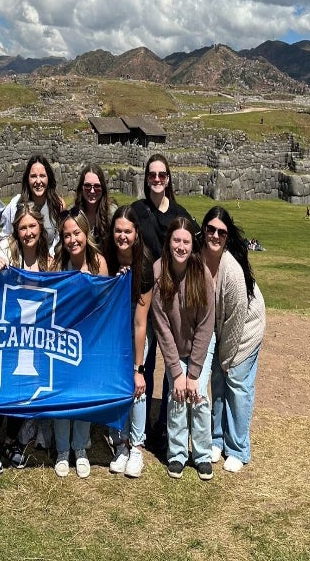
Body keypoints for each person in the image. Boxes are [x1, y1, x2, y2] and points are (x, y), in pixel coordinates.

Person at [129, 153, 198, 448]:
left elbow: (195, 248)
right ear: (146, 179)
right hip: (145, 299)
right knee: (142, 363)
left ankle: (166, 424)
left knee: (174, 363)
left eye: (162, 175)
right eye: (152, 175)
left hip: (173, 302)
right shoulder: (136, 211)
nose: (157, 180)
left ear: (168, 179)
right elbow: (123, 240)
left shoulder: (179, 215)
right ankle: (139, 426)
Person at [0, 203, 54, 472]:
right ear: (16, 231)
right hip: (7, 334)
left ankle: (11, 441)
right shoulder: (6, 250)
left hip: (34, 336)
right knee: (1, 389)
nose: (27, 232)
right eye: (22, 227)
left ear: (40, 227)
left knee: (23, 390)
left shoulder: (49, 258)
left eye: (32, 226)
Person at [201, 206, 266, 473]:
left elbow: (235, 324)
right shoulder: (199, 255)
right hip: (220, 328)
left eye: (222, 232)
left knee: (237, 384)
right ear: (204, 229)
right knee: (217, 382)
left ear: (228, 236)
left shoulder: (232, 272)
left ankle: (238, 448)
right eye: (211, 229)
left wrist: (226, 360)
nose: (215, 235)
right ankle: (217, 439)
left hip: (246, 330)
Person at [151, 216, 216, 481]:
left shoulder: (202, 274)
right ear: (169, 243)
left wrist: (193, 373)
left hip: (200, 345)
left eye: (186, 241)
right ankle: (177, 453)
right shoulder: (158, 273)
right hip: (174, 347)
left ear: (192, 244)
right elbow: (162, 327)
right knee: (177, 396)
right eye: (176, 240)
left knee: (198, 396)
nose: (181, 246)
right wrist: (178, 373)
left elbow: (206, 324)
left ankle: (201, 453)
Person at [51, 208, 109, 478]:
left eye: (77, 233)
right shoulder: (57, 264)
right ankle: (63, 450)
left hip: (88, 341)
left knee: (84, 395)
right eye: (67, 235)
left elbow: (106, 303)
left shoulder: (99, 263)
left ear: (86, 233)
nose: (73, 239)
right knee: (62, 395)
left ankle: (80, 448)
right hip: (61, 339)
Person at [103, 205, 154, 478]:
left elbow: (141, 321)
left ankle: (136, 445)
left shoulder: (144, 265)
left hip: (134, 333)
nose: (122, 236)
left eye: (127, 231)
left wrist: (138, 367)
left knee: (137, 389)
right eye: (118, 231)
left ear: (136, 234)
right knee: (114, 388)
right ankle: (119, 442)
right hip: (111, 335)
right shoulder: (105, 258)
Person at [0, 154, 65, 253]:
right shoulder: (15, 205)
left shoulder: (58, 205)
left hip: (49, 265)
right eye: (33, 176)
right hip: (22, 265)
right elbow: (5, 237)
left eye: (42, 176)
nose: (38, 181)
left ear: (48, 178)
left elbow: (59, 241)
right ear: (27, 179)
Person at [70, 163, 117, 245]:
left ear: (103, 188)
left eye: (97, 186)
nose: (92, 191)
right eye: (87, 186)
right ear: (82, 187)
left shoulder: (112, 212)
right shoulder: (73, 213)